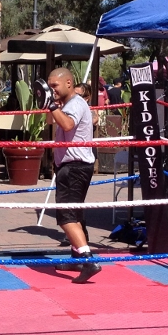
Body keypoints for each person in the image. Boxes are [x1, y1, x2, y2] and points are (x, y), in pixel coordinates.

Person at [41, 68, 100, 281]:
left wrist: (51, 105)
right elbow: (52, 122)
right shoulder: (67, 104)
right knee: (75, 215)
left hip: (74, 167)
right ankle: (77, 258)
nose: (52, 90)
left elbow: (67, 124)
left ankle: (88, 259)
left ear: (68, 83)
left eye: (54, 86)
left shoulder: (75, 103)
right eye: (49, 87)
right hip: (74, 166)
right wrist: (49, 104)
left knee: (66, 217)